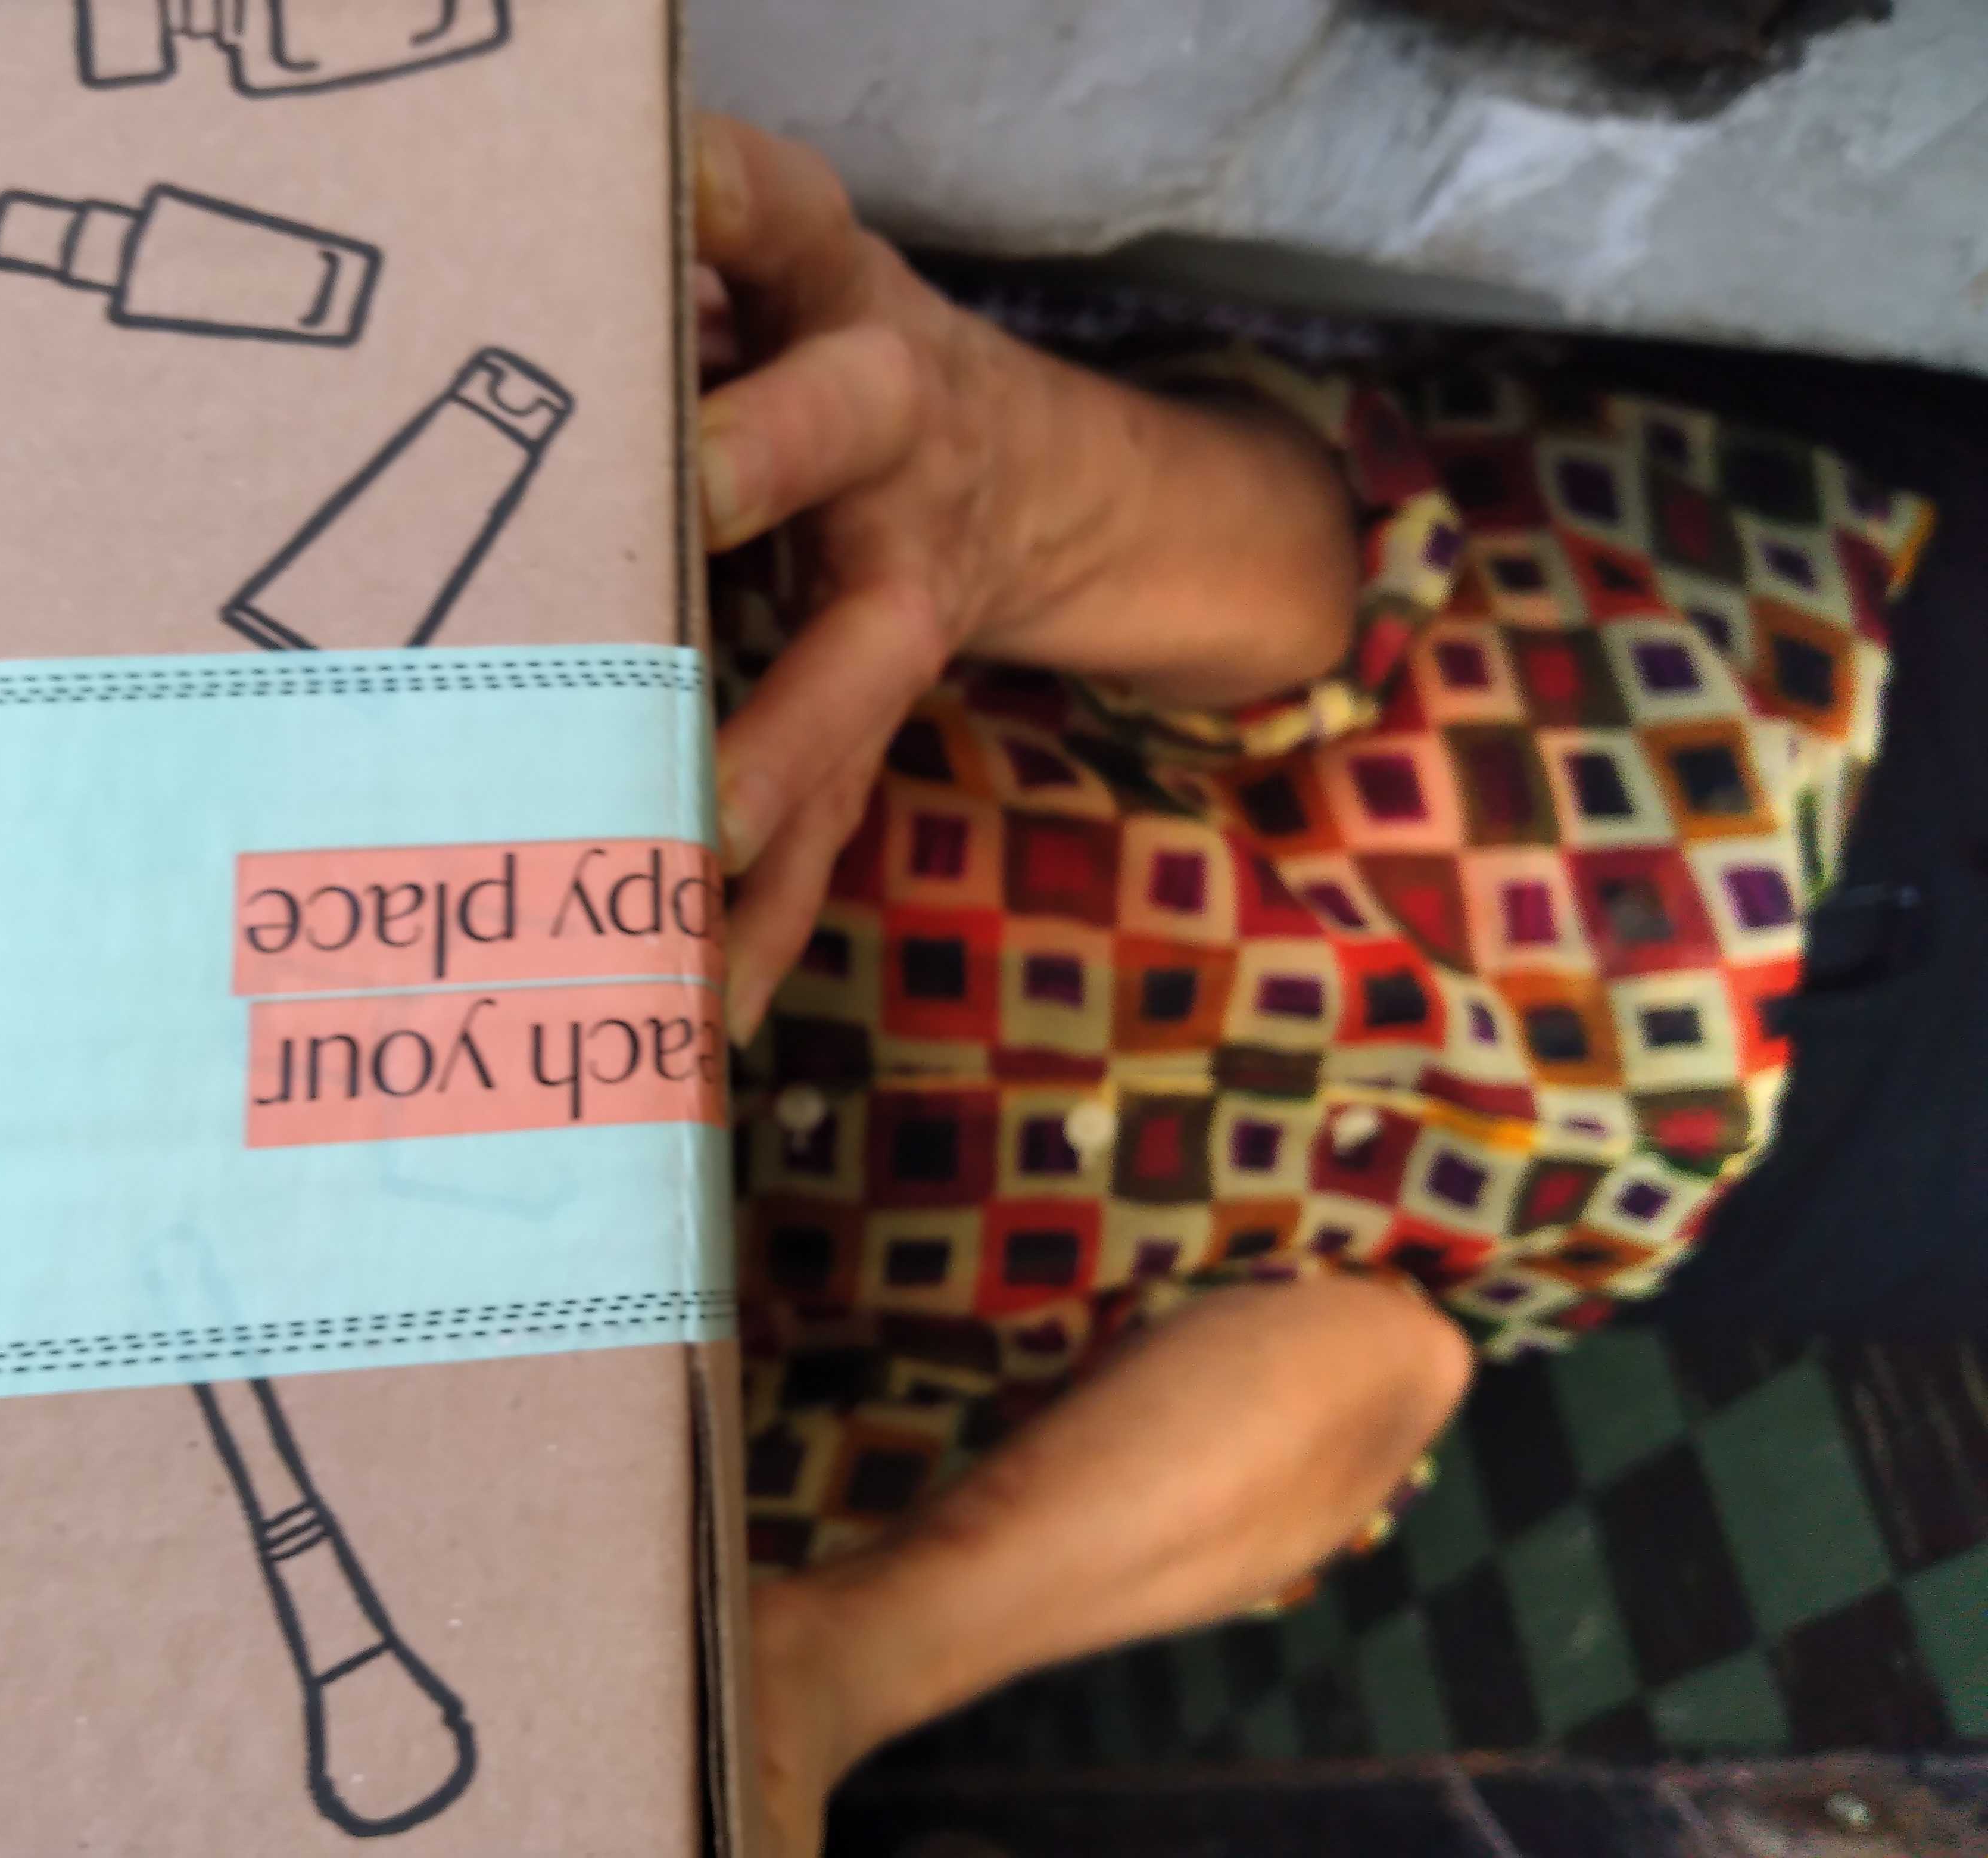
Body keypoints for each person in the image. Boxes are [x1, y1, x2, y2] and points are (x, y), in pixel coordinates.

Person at [690, 116, 1940, 1856]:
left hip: (1767, 656)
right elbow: (1376, 1373)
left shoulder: (565, 662)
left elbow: (1307, 596)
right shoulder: (653, 1477)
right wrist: (833, 1669)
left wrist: (1002, 497)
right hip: (1758, 1186)